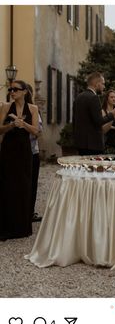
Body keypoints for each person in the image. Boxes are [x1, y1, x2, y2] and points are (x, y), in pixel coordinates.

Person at [0, 80, 39, 240]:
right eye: (10, 89)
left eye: (15, 89)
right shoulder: (5, 107)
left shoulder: (33, 109)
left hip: (24, 151)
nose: (12, 92)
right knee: (7, 185)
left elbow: (37, 131)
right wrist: (11, 125)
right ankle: (6, 227)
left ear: (24, 92)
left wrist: (23, 124)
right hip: (8, 151)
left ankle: (22, 228)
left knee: (24, 186)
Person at [73, 72, 115, 155]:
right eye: (103, 84)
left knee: (84, 167)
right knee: (95, 168)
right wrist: (112, 114)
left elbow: (75, 121)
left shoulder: (79, 97)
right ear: (97, 84)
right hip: (93, 144)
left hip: (80, 143)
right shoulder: (94, 97)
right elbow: (99, 121)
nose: (104, 87)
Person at [26, 83, 43, 223]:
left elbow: (38, 132)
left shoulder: (34, 111)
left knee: (31, 183)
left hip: (32, 151)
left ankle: (29, 211)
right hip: (26, 152)